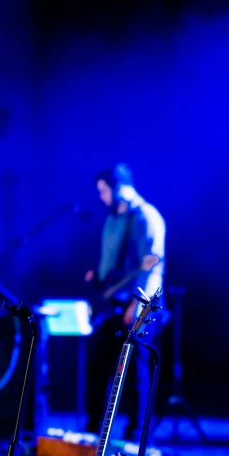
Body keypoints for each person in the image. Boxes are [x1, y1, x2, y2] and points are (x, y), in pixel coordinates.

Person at [85, 163, 165, 440]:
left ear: (120, 188)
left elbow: (152, 265)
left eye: (104, 190)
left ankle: (137, 435)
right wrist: (99, 277)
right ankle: (93, 431)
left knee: (135, 370)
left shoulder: (146, 217)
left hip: (140, 303)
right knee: (97, 362)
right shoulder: (111, 220)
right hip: (113, 302)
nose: (102, 197)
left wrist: (138, 305)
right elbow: (111, 262)